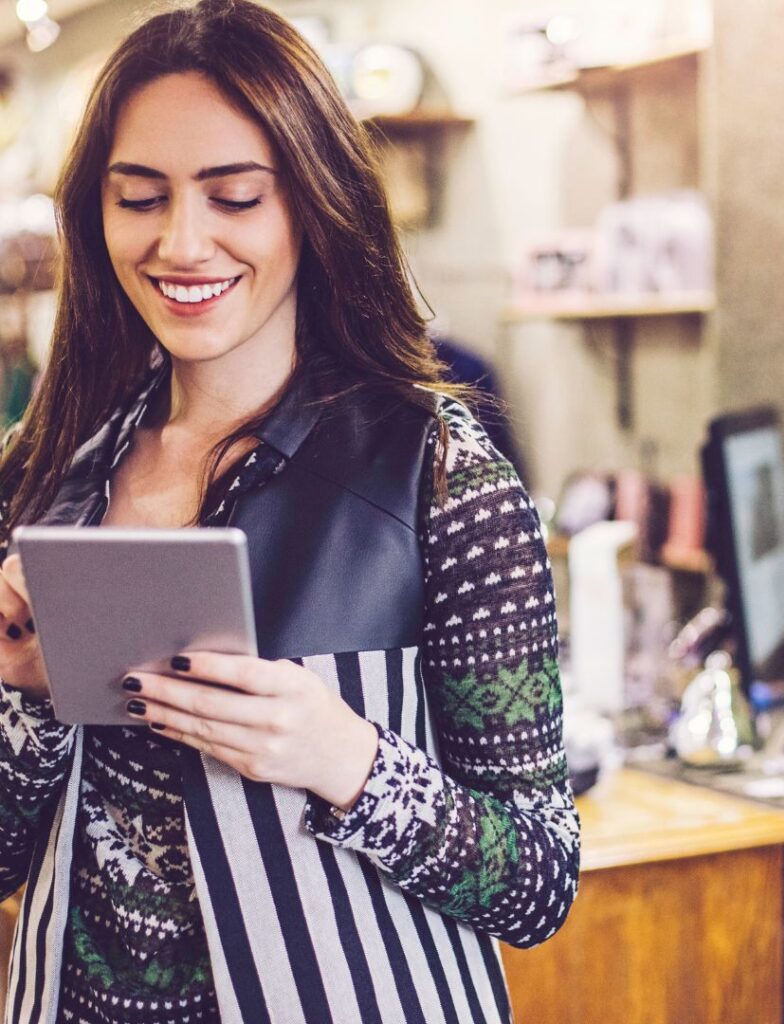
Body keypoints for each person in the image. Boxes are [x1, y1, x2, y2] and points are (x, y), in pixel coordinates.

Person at [0, 2, 579, 1022]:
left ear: (312, 204)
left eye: (234, 197)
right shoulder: (46, 477)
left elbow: (538, 878)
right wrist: (32, 694)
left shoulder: (440, 476)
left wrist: (345, 760)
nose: (182, 242)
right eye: (140, 197)